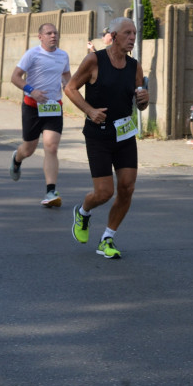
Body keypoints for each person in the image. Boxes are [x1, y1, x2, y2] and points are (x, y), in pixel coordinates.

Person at [63, 16, 149, 260]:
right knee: (103, 192)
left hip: (124, 134)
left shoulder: (135, 66)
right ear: (113, 36)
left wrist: (144, 101)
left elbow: (140, 102)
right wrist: (89, 110)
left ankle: (107, 238)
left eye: (134, 33)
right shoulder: (94, 60)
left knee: (127, 187)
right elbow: (70, 88)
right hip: (98, 135)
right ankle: (83, 211)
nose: (132, 38)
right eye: (127, 33)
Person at [9, 23, 72, 207]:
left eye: (55, 33)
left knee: (51, 147)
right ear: (40, 37)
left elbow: (67, 77)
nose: (53, 36)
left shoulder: (63, 55)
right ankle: (17, 158)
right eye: (49, 33)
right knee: (28, 149)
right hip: (32, 107)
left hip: (53, 107)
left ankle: (51, 191)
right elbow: (15, 77)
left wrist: (70, 88)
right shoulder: (32, 54)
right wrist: (31, 90)